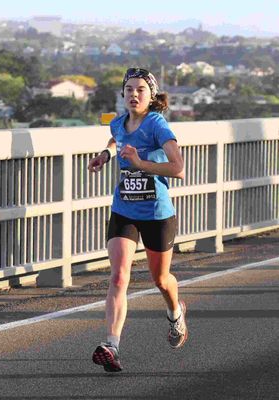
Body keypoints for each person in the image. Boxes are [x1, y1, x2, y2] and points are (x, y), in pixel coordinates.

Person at [89, 67, 187, 373]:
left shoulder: (157, 124)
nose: (134, 94)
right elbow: (114, 138)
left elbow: (178, 168)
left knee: (161, 280)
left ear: (152, 95)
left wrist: (140, 163)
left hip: (157, 213)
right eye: (129, 89)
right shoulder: (119, 123)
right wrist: (105, 156)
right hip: (124, 210)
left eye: (140, 89)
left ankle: (176, 313)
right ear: (122, 94)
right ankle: (112, 346)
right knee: (118, 277)